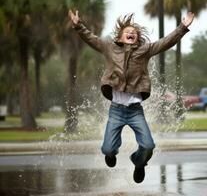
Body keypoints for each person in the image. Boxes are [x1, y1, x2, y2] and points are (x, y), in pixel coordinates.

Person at [68, 10, 194, 183]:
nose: (131, 33)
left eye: (134, 33)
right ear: (120, 37)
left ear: (137, 38)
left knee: (149, 146)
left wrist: (183, 27)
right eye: (127, 32)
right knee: (108, 150)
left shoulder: (145, 50)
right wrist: (78, 26)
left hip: (135, 112)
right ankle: (111, 153)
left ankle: (139, 162)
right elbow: (91, 38)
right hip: (116, 111)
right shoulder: (109, 48)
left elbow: (165, 43)